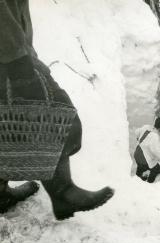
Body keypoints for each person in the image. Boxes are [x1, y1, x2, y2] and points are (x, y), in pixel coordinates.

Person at [0, 0, 114, 220]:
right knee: (55, 112)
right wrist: (18, 62)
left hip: (13, 52)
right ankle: (63, 192)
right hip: (9, 58)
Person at [134, 118, 160, 183]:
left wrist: (138, 138)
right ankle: (149, 183)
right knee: (156, 169)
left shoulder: (147, 127)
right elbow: (157, 150)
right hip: (144, 157)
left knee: (141, 166)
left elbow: (137, 132)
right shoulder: (155, 136)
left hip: (137, 153)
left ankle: (138, 177)